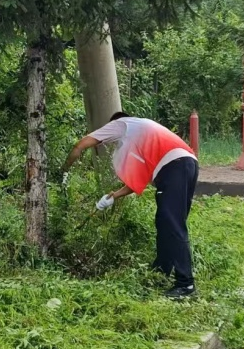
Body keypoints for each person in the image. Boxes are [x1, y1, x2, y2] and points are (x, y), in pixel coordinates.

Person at [63, 111, 199, 299]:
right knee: (164, 222)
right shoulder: (142, 134)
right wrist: (114, 196)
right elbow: (138, 181)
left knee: (172, 224)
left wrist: (63, 171)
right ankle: (160, 273)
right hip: (186, 165)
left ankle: (186, 284)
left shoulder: (121, 124)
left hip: (174, 166)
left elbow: (82, 144)